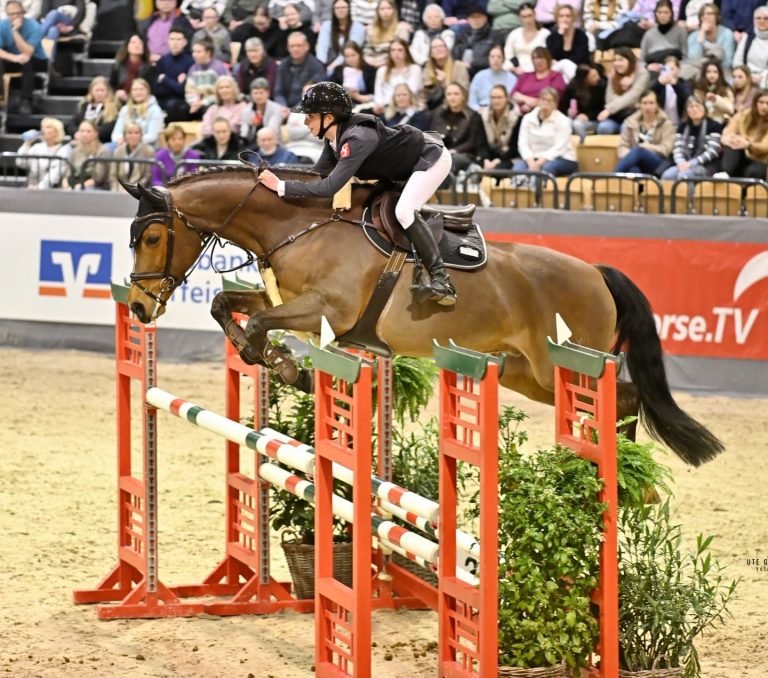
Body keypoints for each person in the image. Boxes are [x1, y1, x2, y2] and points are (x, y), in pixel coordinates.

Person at [258, 81, 457, 305]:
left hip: (430, 158)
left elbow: (329, 188)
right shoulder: (333, 139)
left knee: (404, 211)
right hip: (403, 166)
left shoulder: (357, 138)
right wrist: (275, 188)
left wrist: (281, 186)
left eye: (310, 116)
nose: (305, 122)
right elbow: (317, 177)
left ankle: (442, 280)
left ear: (329, 117)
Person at [513, 87, 577, 176]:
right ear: (538, 101)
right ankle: (521, 189)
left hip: (562, 158)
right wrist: (530, 161)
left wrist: (540, 162)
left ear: (556, 104)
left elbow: (559, 147)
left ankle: (542, 189)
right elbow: (523, 143)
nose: (546, 103)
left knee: (547, 168)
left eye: (550, 101)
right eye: (543, 99)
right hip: (533, 157)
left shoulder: (563, 121)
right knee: (518, 168)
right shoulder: (527, 118)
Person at [429, 82, 489, 174]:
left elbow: (471, 142)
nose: (452, 97)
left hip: (464, 155)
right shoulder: (438, 114)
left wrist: (455, 150)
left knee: (451, 162)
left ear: (463, 96)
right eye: (449, 94)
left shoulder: (473, 116)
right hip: (441, 154)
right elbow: (432, 137)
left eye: (456, 94)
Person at [0, 0, 47, 115]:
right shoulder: (2, 25)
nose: (15, 16)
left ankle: (26, 100)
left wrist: (15, 31)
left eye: (18, 13)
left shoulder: (34, 26)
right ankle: (1, 96)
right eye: (12, 14)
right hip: (14, 58)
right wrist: (13, 58)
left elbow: (27, 52)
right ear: (7, 14)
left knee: (26, 61)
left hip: (36, 59)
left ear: (23, 12)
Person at [660, 95, 723, 180]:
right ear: (687, 110)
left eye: (697, 106)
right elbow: (677, 149)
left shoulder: (714, 125)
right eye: (691, 107)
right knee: (667, 175)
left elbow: (713, 151)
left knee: (684, 176)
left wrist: (692, 163)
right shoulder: (682, 127)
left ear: (704, 108)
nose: (694, 109)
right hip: (684, 163)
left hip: (705, 165)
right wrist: (681, 162)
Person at [613, 89, 675, 174]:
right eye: (644, 103)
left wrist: (645, 147)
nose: (647, 107)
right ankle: (640, 187)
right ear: (639, 105)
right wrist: (631, 155)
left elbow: (665, 149)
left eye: (651, 103)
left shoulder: (666, 123)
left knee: (639, 151)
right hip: (634, 160)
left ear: (657, 106)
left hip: (657, 162)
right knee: (634, 169)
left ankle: (613, 175)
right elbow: (622, 147)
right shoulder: (630, 122)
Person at [596, 46, 650, 134]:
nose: (617, 63)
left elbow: (633, 97)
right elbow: (608, 100)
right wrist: (630, 104)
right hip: (616, 115)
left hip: (635, 115)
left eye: (621, 60)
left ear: (630, 61)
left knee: (626, 128)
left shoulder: (642, 74)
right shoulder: (613, 75)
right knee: (603, 128)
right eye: (615, 60)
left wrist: (609, 109)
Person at [719, 89, 768, 178]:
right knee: (732, 146)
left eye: (767, 103)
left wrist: (748, 144)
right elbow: (727, 134)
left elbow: (765, 147)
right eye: (761, 102)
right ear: (755, 103)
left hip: (761, 160)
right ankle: (724, 175)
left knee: (753, 171)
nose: (764, 106)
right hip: (740, 155)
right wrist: (732, 139)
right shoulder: (743, 115)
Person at [151, 27, 195, 122]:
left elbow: (182, 90)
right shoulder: (162, 61)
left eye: (179, 39)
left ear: (185, 42)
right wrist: (175, 84)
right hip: (162, 99)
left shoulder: (190, 62)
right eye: (172, 39)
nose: (175, 43)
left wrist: (165, 80)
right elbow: (156, 89)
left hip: (181, 101)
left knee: (174, 105)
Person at [272, 31, 326, 108]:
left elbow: (315, 95)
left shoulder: (316, 65)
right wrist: (283, 106)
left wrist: (294, 110)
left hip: (307, 108)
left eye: (299, 45)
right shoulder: (283, 64)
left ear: (307, 46)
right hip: (284, 107)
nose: (295, 49)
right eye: (292, 46)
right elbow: (278, 91)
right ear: (288, 48)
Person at [510, 46, 566, 117]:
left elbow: (554, 97)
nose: (539, 61)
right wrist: (527, 100)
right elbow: (514, 94)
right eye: (536, 58)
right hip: (520, 112)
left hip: (546, 112)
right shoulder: (525, 76)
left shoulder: (556, 76)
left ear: (548, 60)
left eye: (542, 58)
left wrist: (532, 106)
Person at [15, 117, 68, 188]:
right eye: (43, 127)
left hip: (50, 190)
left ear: (56, 132)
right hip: (30, 186)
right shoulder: (37, 147)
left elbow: (54, 175)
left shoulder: (63, 150)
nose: (43, 130)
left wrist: (38, 187)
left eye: (48, 127)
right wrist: (27, 143)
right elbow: (20, 162)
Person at [372, 36, 422, 113]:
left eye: (400, 50)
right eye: (393, 50)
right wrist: (379, 104)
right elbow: (378, 93)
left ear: (406, 52)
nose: (396, 53)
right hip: (385, 108)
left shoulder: (415, 69)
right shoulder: (382, 70)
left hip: (406, 107)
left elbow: (411, 92)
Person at [65, 75, 120, 143]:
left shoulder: (113, 107)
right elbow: (71, 124)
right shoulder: (84, 105)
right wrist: (76, 133)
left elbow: (108, 129)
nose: (100, 93)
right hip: (80, 140)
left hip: (102, 142)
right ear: (91, 91)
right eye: (97, 90)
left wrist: (89, 135)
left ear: (108, 91)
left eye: (102, 90)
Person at [111, 77, 165, 146]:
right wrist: (119, 139)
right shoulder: (125, 109)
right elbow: (116, 132)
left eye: (141, 89)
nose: (138, 92)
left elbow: (153, 135)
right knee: (108, 148)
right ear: (131, 92)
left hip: (146, 144)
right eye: (135, 89)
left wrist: (133, 140)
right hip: (124, 144)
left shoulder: (155, 110)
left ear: (147, 91)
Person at [185, 37, 230, 118]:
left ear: (208, 53)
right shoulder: (192, 69)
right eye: (193, 52)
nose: (194, 54)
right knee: (179, 108)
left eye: (198, 52)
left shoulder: (219, 68)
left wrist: (203, 102)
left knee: (208, 110)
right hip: (197, 102)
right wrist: (194, 102)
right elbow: (189, 90)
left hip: (214, 102)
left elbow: (223, 92)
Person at [316, 0, 365, 73]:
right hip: (328, 63)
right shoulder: (326, 26)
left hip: (349, 64)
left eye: (343, 7)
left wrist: (331, 68)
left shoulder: (358, 28)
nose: (340, 10)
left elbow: (351, 50)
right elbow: (322, 49)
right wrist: (320, 66)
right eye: (337, 8)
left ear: (349, 9)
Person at [685, 4, 735, 75]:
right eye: (703, 15)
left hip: (722, 72)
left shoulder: (727, 33)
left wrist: (704, 43)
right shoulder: (693, 36)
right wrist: (701, 34)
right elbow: (694, 59)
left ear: (716, 16)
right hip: (700, 72)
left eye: (710, 14)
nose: (706, 17)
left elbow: (727, 62)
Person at [421, 36, 469, 110]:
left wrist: (445, 82)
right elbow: (424, 95)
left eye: (442, 46)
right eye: (435, 47)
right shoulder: (427, 69)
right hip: (432, 108)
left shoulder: (459, 67)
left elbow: (464, 92)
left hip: (454, 107)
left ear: (447, 50)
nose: (439, 49)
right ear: (431, 53)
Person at [62, 119, 111, 190]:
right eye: (82, 131)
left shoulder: (103, 151)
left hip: (94, 187)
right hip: (74, 183)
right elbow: (67, 173)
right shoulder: (74, 151)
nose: (85, 134)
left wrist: (80, 186)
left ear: (96, 133)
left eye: (88, 131)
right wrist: (65, 184)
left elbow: (98, 178)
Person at [545, 3, 588, 82]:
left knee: (565, 66)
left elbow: (581, 57)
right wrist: (560, 35)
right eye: (561, 16)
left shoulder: (581, 35)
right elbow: (551, 55)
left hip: (576, 69)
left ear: (573, 18)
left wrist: (563, 62)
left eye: (568, 16)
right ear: (557, 19)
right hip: (556, 70)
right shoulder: (552, 37)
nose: (565, 19)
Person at [639, 0, 687, 71]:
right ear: (655, 14)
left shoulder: (680, 32)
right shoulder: (648, 34)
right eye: (659, 12)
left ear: (671, 13)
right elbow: (641, 60)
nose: (662, 15)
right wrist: (648, 67)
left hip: (673, 69)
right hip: (652, 69)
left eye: (666, 12)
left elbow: (685, 57)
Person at [562, 62, 606, 140]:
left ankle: (583, 145)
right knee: (565, 123)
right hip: (574, 118)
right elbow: (562, 106)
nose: (598, 78)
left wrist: (588, 116)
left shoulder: (601, 85)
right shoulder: (572, 88)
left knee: (577, 124)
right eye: (593, 76)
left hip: (594, 119)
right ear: (584, 79)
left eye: (597, 75)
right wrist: (569, 112)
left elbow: (603, 108)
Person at [504, 3, 550, 75]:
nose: (528, 20)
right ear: (520, 18)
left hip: (538, 67)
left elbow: (548, 54)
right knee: (505, 66)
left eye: (530, 16)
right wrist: (516, 67)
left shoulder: (545, 33)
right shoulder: (514, 34)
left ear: (535, 15)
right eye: (524, 17)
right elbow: (509, 55)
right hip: (517, 68)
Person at [362, 0, 411, 68]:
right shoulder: (371, 29)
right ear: (378, 12)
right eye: (382, 9)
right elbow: (367, 49)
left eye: (389, 8)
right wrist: (371, 61)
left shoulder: (401, 29)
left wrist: (383, 62)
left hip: (391, 65)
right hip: (372, 64)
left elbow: (400, 52)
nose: (385, 12)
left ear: (394, 10)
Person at [451, 4, 495, 78]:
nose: (476, 20)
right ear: (468, 20)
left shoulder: (493, 35)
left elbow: (495, 57)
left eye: (479, 17)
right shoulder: (462, 35)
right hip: (461, 71)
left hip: (484, 72)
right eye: (473, 17)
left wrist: (471, 65)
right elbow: (454, 54)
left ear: (485, 18)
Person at [481, 83, 519, 169]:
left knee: (499, 169)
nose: (496, 101)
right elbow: (481, 143)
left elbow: (514, 147)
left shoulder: (516, 117)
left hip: (508, 156)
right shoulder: (482, 116)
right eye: (493, 98)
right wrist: (486, 159)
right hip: (488, 154)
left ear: (506, 98)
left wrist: (498, 160)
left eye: (499, 97)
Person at [469, 43, 517, 110]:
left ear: (503, 59)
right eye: (492, 56)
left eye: (499, 57)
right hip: (482, 111)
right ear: (488, 58)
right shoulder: (479, 77)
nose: (495, 60)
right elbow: (472, 102)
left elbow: (514, 102)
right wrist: (480, 111)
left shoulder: (512, 78)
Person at [329, 39, 377, 107]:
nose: (350, 59)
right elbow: (330, 88)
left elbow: (374, 94)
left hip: (364, 103)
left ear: (359, 54)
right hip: (342, 103)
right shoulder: (339, 70)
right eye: (347, 56)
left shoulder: (370, 70)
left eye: (353, 55)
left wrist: (356, 96)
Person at [650, 55, 692, 129]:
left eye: (672, 69)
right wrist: (659, 84)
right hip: (660, 124)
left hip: (680, 124)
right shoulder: (658, 83)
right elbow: (649, 96)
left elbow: (687, 99)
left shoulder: (684, 84)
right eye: (666, 69)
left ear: (678, 69)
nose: (669, 72)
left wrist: (675, 85)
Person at [110, 34, 152, 104]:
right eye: (133, 42)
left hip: (141, 101)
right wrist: (117, 92)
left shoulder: (149, 68)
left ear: (144, 48)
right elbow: (111, 86)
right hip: (120, 100)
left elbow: (150, 89)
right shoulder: (118, 66)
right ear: (127, 46)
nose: (136, 45)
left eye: (140, 43)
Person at [240, 76, 283, 144]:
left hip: (271, 142)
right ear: (251, 94)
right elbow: (243, 133)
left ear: (268, 93)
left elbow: (273, 129)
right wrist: (251, 125)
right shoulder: (246, 110)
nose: (258, 96)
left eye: (261, 92)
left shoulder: (276, 108)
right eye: (255, 93)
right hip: (251, 143)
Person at [732, 7, 768, 87]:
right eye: (758, 18)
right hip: (746, 78)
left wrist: (761, 78)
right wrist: (747, 76)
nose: (762, 21)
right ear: (754, 21)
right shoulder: (747, 37)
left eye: (766, 18)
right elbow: (737, 61)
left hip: (764, 80)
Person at [693, 59, 734, 125]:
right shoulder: (698, 91)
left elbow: (730, 109)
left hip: (720, 124)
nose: (712, 75)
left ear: (719, 74)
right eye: (708, 72)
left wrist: (716, 99)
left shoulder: (726, 90)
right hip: (703, 124)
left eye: (715, 72)